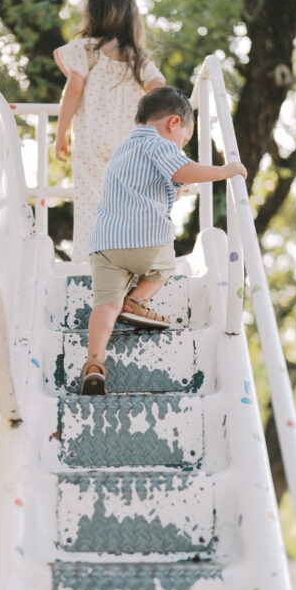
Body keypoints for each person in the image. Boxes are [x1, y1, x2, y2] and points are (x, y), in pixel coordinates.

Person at [80, 85, 247, 395]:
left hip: (104, 245)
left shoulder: (123, 149)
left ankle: (94, 363)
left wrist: (175, 187)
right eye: (183, 139)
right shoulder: (160, 144)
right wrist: (225, 170)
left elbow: (151, 183)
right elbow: (184, 169)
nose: (180, 145)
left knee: (106, 305)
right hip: (145, 242)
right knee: (166, 265)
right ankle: (138, 300)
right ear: (174, 123)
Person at [54, 0, 165, 261]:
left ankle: (88, 262)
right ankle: (127, 260)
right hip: (129, 142)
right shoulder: (137, 57)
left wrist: (61, 132)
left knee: (91, 204)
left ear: (98, 15)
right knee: (126, 204)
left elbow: (74, 87)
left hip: (91, 139)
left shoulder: (87, 49)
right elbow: (159, 86)